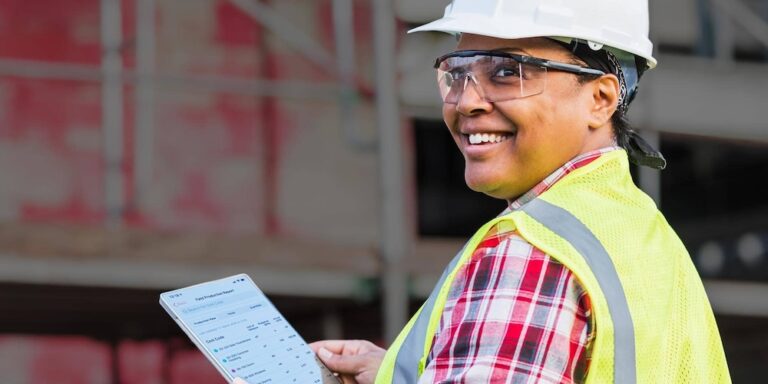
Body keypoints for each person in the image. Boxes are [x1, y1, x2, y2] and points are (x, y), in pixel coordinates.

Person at [241, 0, 731, 382]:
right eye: (458, 72)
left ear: (600, 99)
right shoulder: (640, 235)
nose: (466, 101)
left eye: (506, 72)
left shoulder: (530, 252)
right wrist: (398, 371)